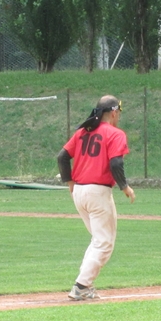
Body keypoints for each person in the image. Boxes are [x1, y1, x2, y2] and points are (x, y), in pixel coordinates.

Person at [57, 95, 135, 301]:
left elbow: (62, 157)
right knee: (104, 243)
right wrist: (124, 186)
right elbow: (116, 163)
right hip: (97, 191)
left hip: (80, 192)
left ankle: (85, 285)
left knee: (98, 240)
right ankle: (81, 286)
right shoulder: (115, 134)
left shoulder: (83, 131)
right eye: (119, 113)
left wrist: (70, 182)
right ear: (114, 112)